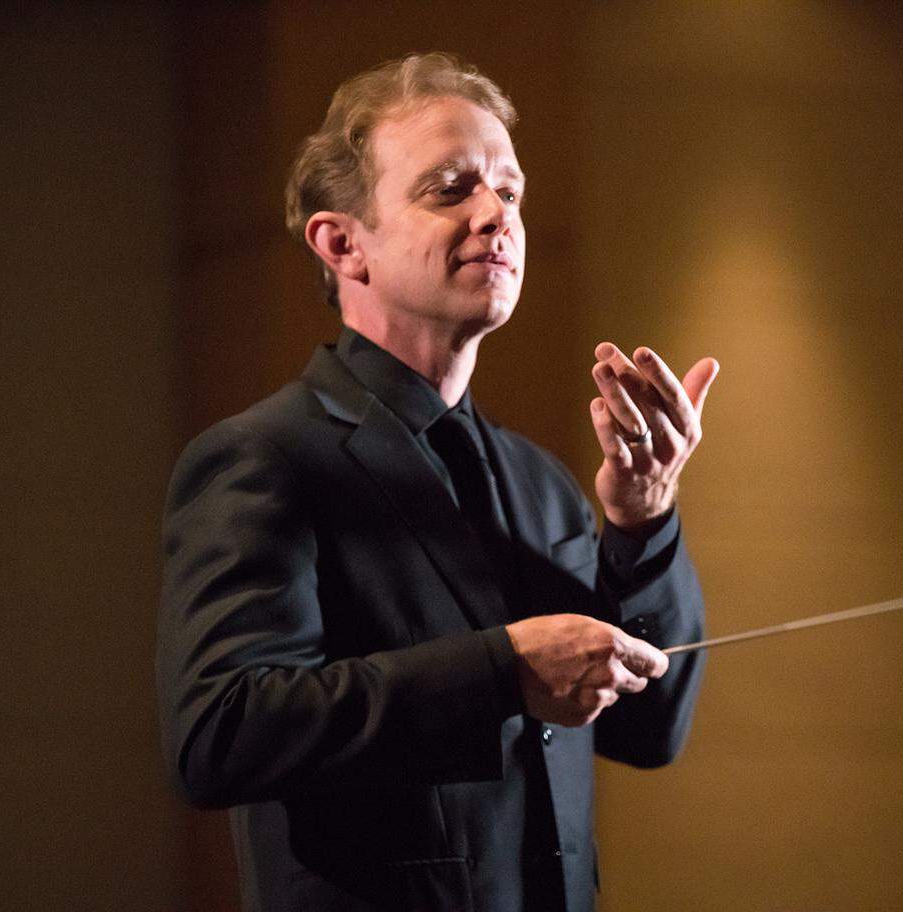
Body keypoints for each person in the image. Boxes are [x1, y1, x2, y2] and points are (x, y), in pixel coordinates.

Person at [157, 52, 717, 912]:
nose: (498, 215)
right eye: (451, 188)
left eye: (511, 190)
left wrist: (642, 522)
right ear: (344, 243)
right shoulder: (265, 458)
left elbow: (650, 729)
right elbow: (222, 733)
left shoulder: (539, 479)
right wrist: (502, 669)